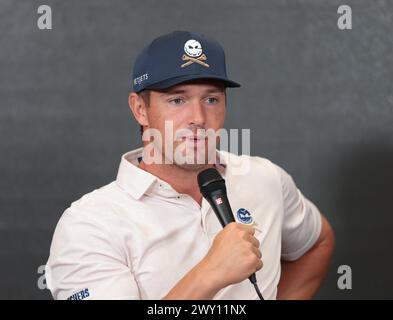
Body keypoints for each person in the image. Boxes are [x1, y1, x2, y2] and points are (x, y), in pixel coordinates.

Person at [46, 31, 335, 300]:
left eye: (211, 99)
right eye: (177, 100)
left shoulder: (265, 178)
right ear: (140, 109)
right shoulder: (89, 224)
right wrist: (210, 274)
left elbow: (317, 242)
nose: (197, 117)